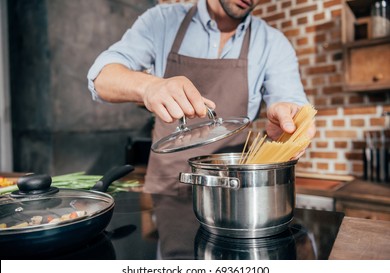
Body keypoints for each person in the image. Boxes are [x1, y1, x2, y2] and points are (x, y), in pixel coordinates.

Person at [87, 0, 316, 195]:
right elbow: (101, 78)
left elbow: (291, 100)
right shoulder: (163, 21)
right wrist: (149, 87)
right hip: (167, 187)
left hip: (233, 190)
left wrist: (292, 120)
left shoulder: (273, 43)